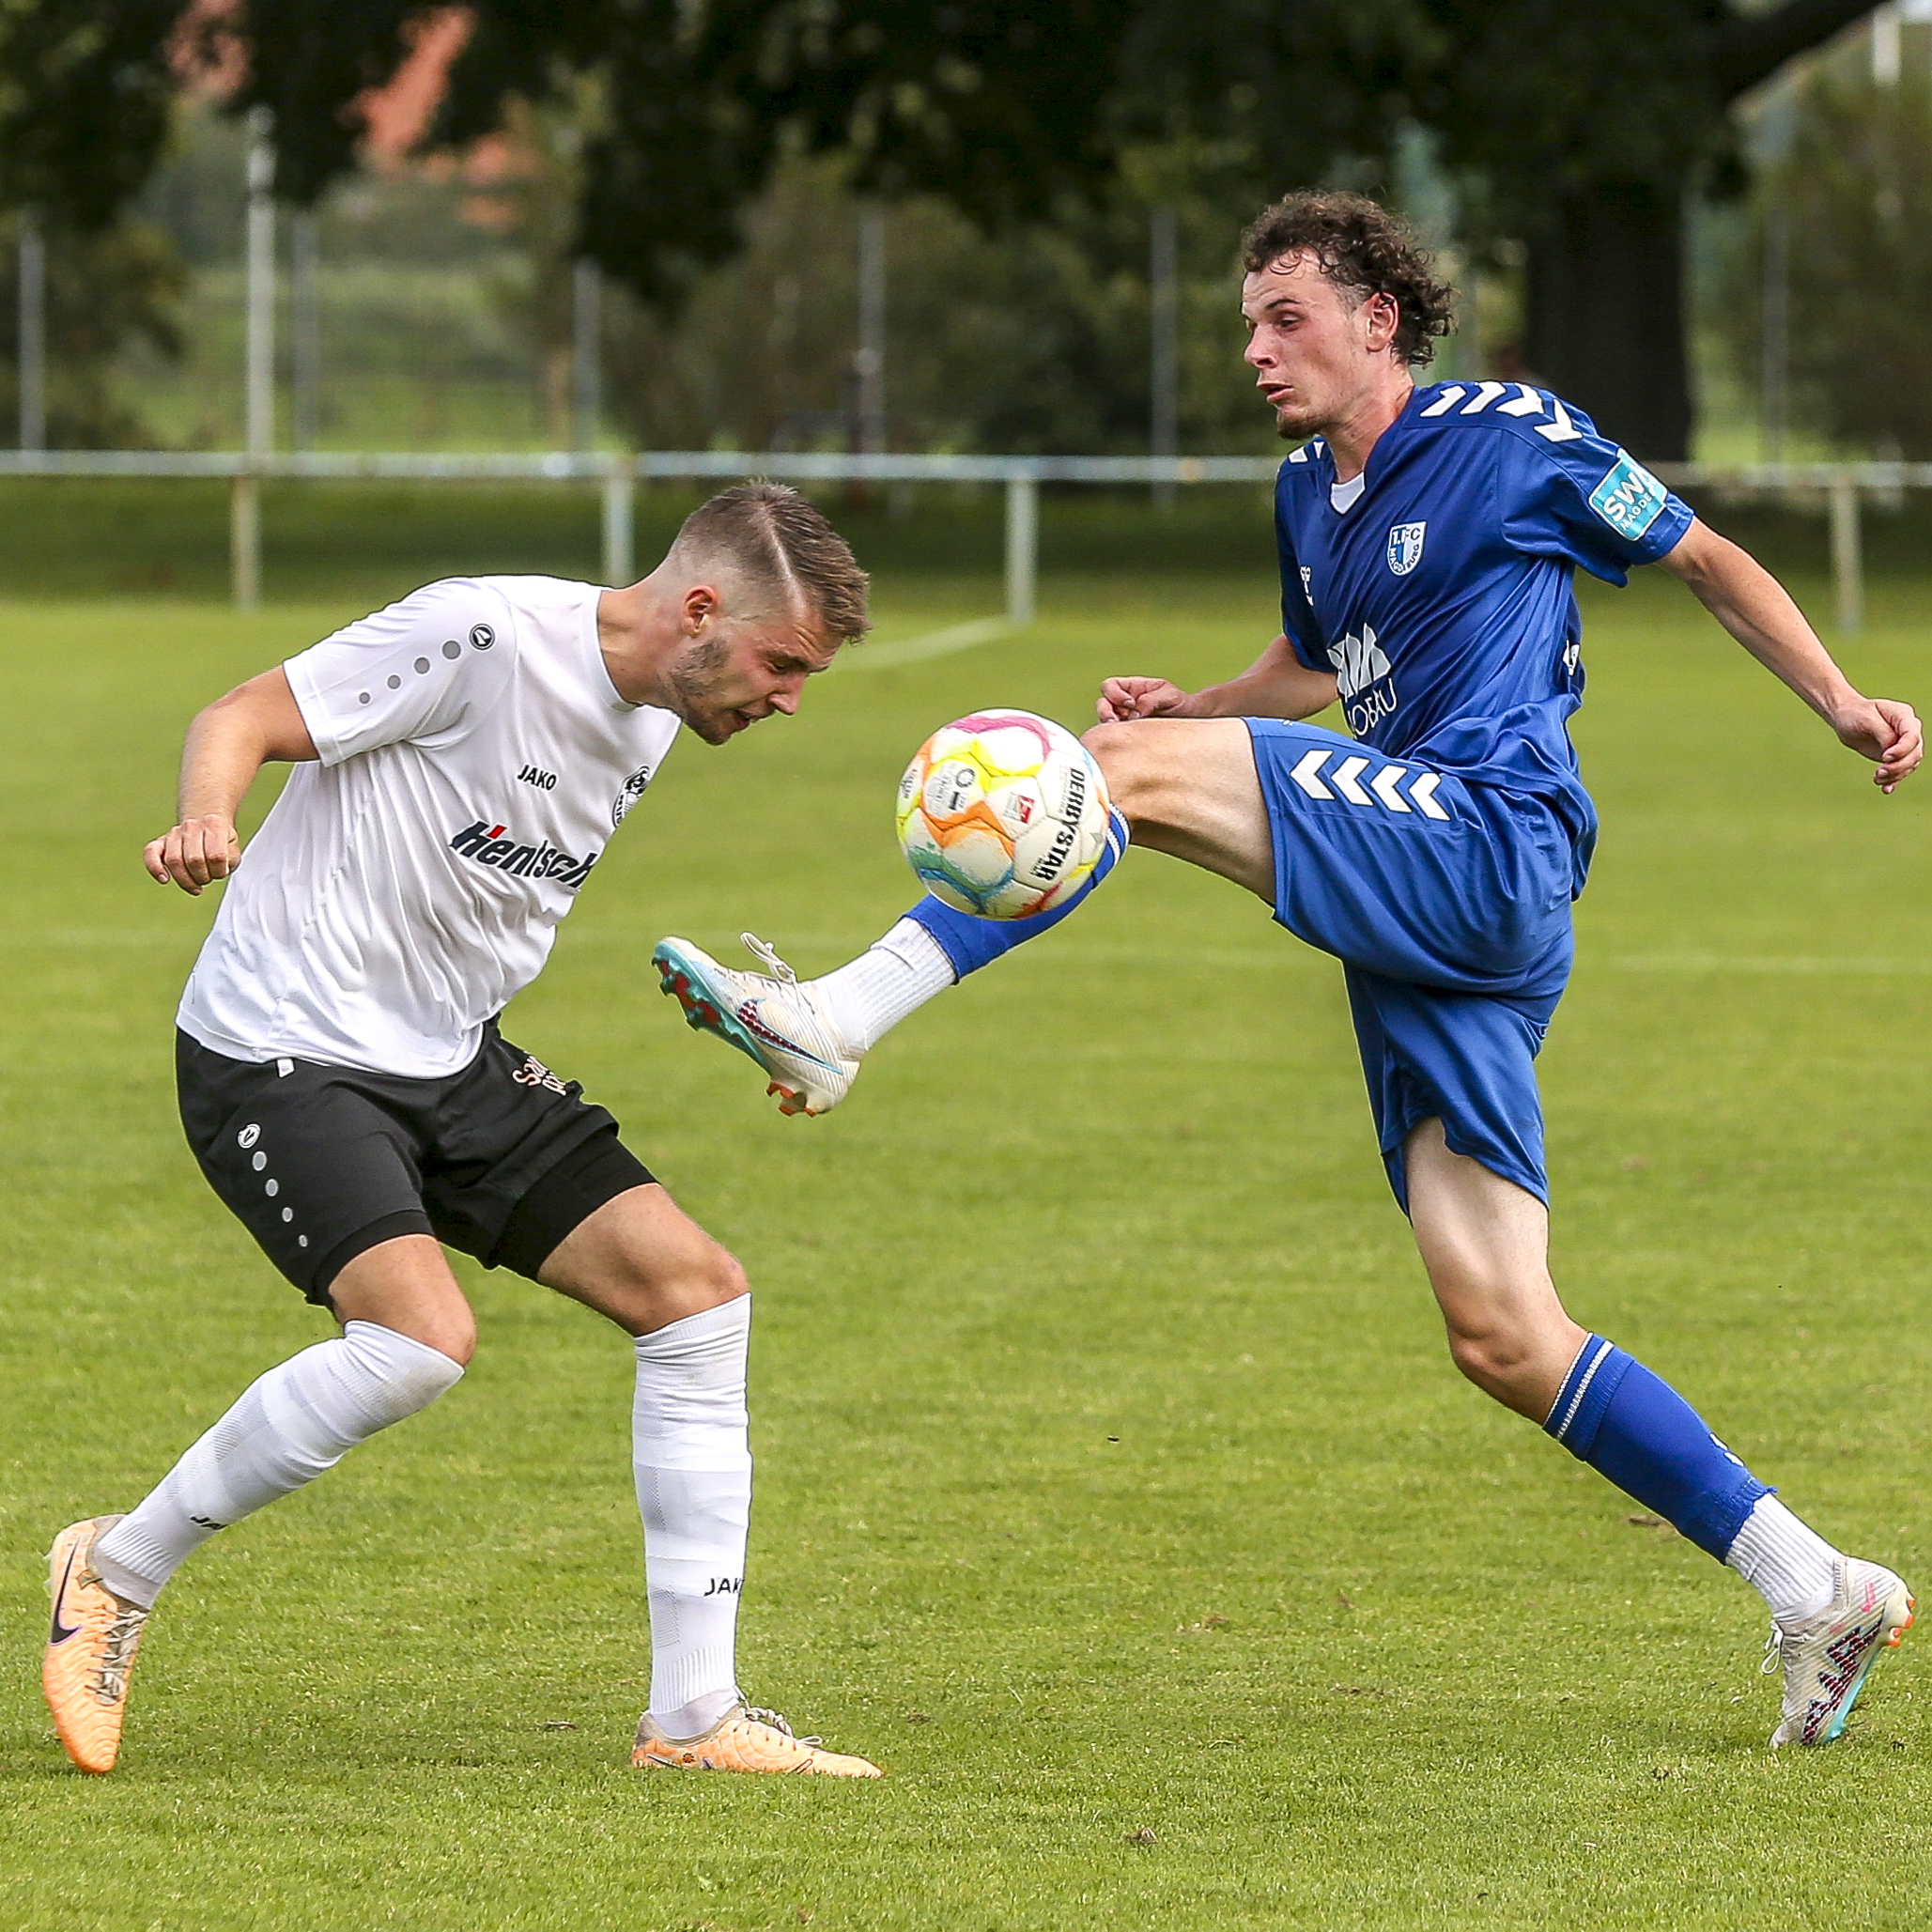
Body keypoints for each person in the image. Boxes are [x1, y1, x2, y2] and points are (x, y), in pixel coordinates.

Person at [651, 194, 1922, 1750]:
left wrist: (1838, 698)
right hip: (1420, 913)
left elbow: (1703, 554)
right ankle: (1816, 1585)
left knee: (1101, 773)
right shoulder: (1304, 494)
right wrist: (1197, 706)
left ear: (1378, 320)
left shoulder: (1510, 435)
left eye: (1285, 320)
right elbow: (1317, 670)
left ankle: (835, 1017)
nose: (1257, 351)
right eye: (1248, 326)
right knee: (1503, 1330)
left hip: (1488, 838)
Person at [44, 484, 885, 1780]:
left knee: (697, 1299)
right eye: (782, 664)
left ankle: (692, 1719)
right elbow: (241, 715)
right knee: (417, 1342)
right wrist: (209, 814)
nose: (788, 699)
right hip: (282, 1047)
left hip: (450, 1057)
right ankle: (116, 1566)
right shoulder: (483, 636)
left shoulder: (654, 717)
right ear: (699, 609)